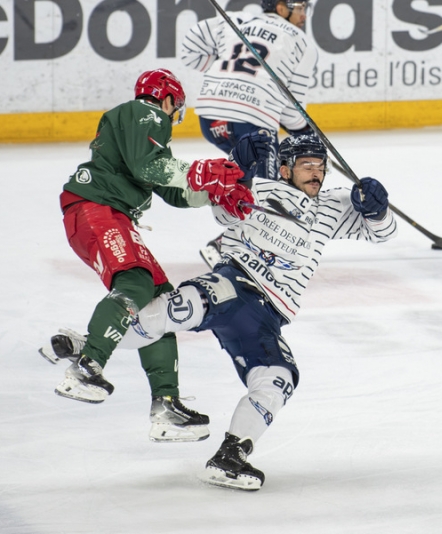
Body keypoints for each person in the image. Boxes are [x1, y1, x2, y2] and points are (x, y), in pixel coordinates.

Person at [51, 132, 397, 489]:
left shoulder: (333, 206)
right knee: (176, 311)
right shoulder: (259, 189)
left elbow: (383, 233)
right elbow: (223, 216)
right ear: (283, 168)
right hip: (235, 283)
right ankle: (90, 347)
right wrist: (241, 172)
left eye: (321, 167)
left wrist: (377, 207)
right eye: (306, 165)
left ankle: (230, 456)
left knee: (280, 377)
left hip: (268, 316)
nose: (316, 174)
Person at [39, 68, 249, 444]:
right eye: (176, 107)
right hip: (98, 208)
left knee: (160, 302)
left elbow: (168, 188)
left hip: (104, 214)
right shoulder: (146, 113)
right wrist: (205, 172)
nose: (174, 115)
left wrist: (214, 190)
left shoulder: (141, 131)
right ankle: (87, 366)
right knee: (135, 282)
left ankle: (166, 404)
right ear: (166, 99)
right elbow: (150, 168)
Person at [180, 0, 319, 267]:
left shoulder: (235, 19)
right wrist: (306, 136)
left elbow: (190, 48)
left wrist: (220, 69)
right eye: (300, 8)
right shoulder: (302, 43)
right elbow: (292, 112)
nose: (304, 15)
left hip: (212, 117)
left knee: (256, 181)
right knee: (275, 189)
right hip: (253, 121)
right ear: (281, 8)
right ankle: (228, 247)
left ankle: (249, 232)